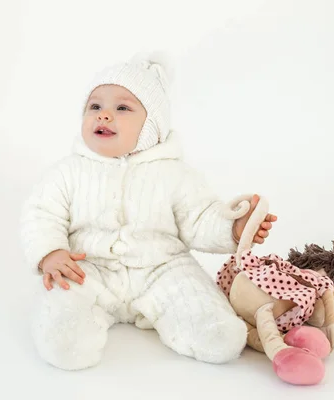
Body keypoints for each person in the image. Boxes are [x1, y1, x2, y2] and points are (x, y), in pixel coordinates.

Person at [20, 52, 277, 370]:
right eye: (95, 106)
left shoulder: (175, 174)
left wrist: (233, 229)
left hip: (162, 268)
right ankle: (66, 336)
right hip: (88, 266)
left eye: (122, 108)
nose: (104, 115)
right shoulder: (67, 172)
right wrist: (50, 253)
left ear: (152, 126)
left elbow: (198, 218)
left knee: (207, 318)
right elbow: (41, 213)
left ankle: (205, 328)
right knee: (65, 302)